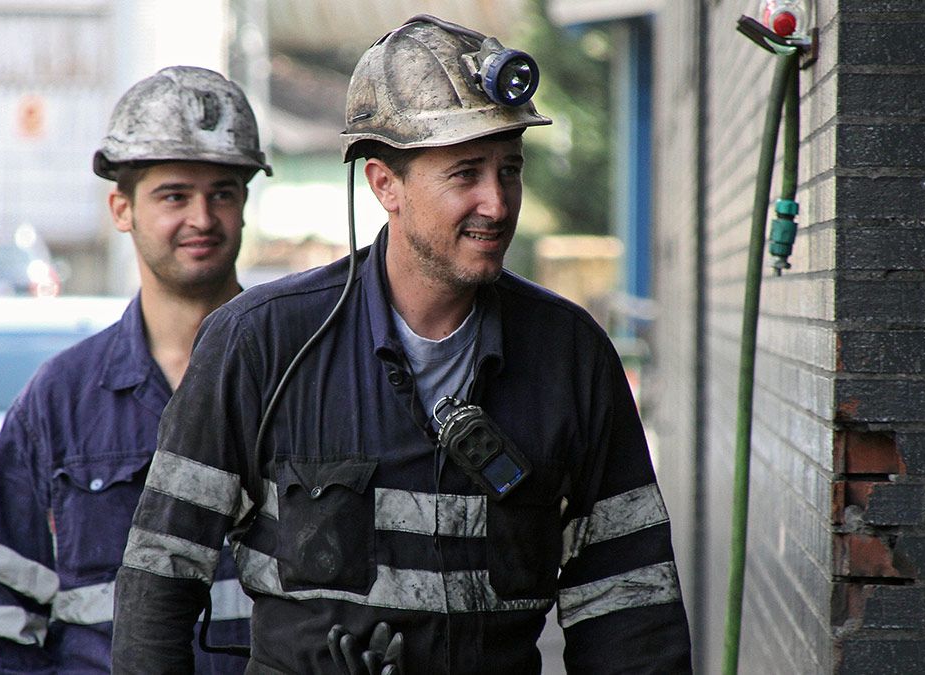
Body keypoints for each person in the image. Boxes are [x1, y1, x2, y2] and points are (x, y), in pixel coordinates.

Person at [113, 17, 692, 674]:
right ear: (385, 184)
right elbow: (159, 584)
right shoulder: (261, 343)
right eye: (465, 172)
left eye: (510, 169)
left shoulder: (570, 358)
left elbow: (631, 611)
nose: (497, 203)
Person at [0, 66, 270, 674]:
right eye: (174, 195)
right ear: (121, 208)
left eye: (223, 191)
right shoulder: (59, 402)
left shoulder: (301, 379)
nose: (202, 217)